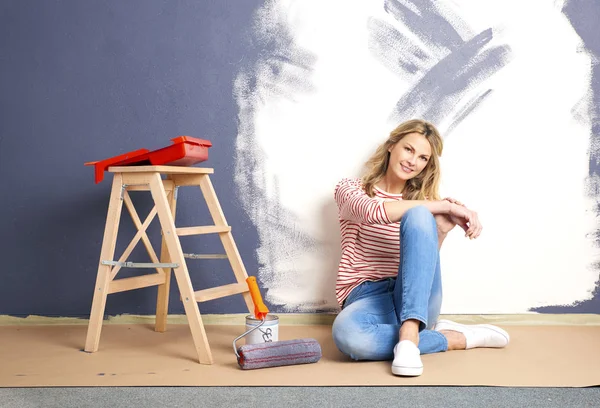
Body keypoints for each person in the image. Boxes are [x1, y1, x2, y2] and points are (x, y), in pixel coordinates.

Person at [331, 119, 509, 377]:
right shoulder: (351, 190)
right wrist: (444, 206)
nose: (413, 161)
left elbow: (423, 267)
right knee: (348, 335)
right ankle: (451, 338)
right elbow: (372, 211)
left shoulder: (424, 207)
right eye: (409, 149)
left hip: (414, 294)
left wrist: (441, 230)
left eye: (423, 157)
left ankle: (409, 331)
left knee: (418, 215)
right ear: (392, 145)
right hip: (366, 297)